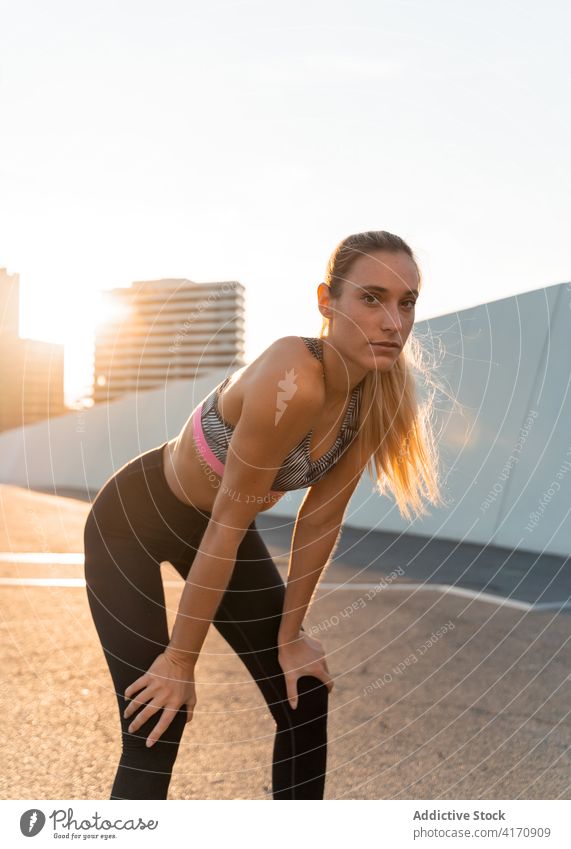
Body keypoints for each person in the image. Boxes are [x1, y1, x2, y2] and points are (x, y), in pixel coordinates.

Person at [83, 229, 444, 800]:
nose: (393, 322)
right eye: (370, 299)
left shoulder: (376, 394)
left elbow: (320, 521)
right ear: (327, 300)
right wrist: (179, 660)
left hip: (219, 526)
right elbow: (228, 521)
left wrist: (293, 637)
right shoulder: (292, 375)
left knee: (303, 695)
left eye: (406, 303)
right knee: (158, 717)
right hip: (134, 516)